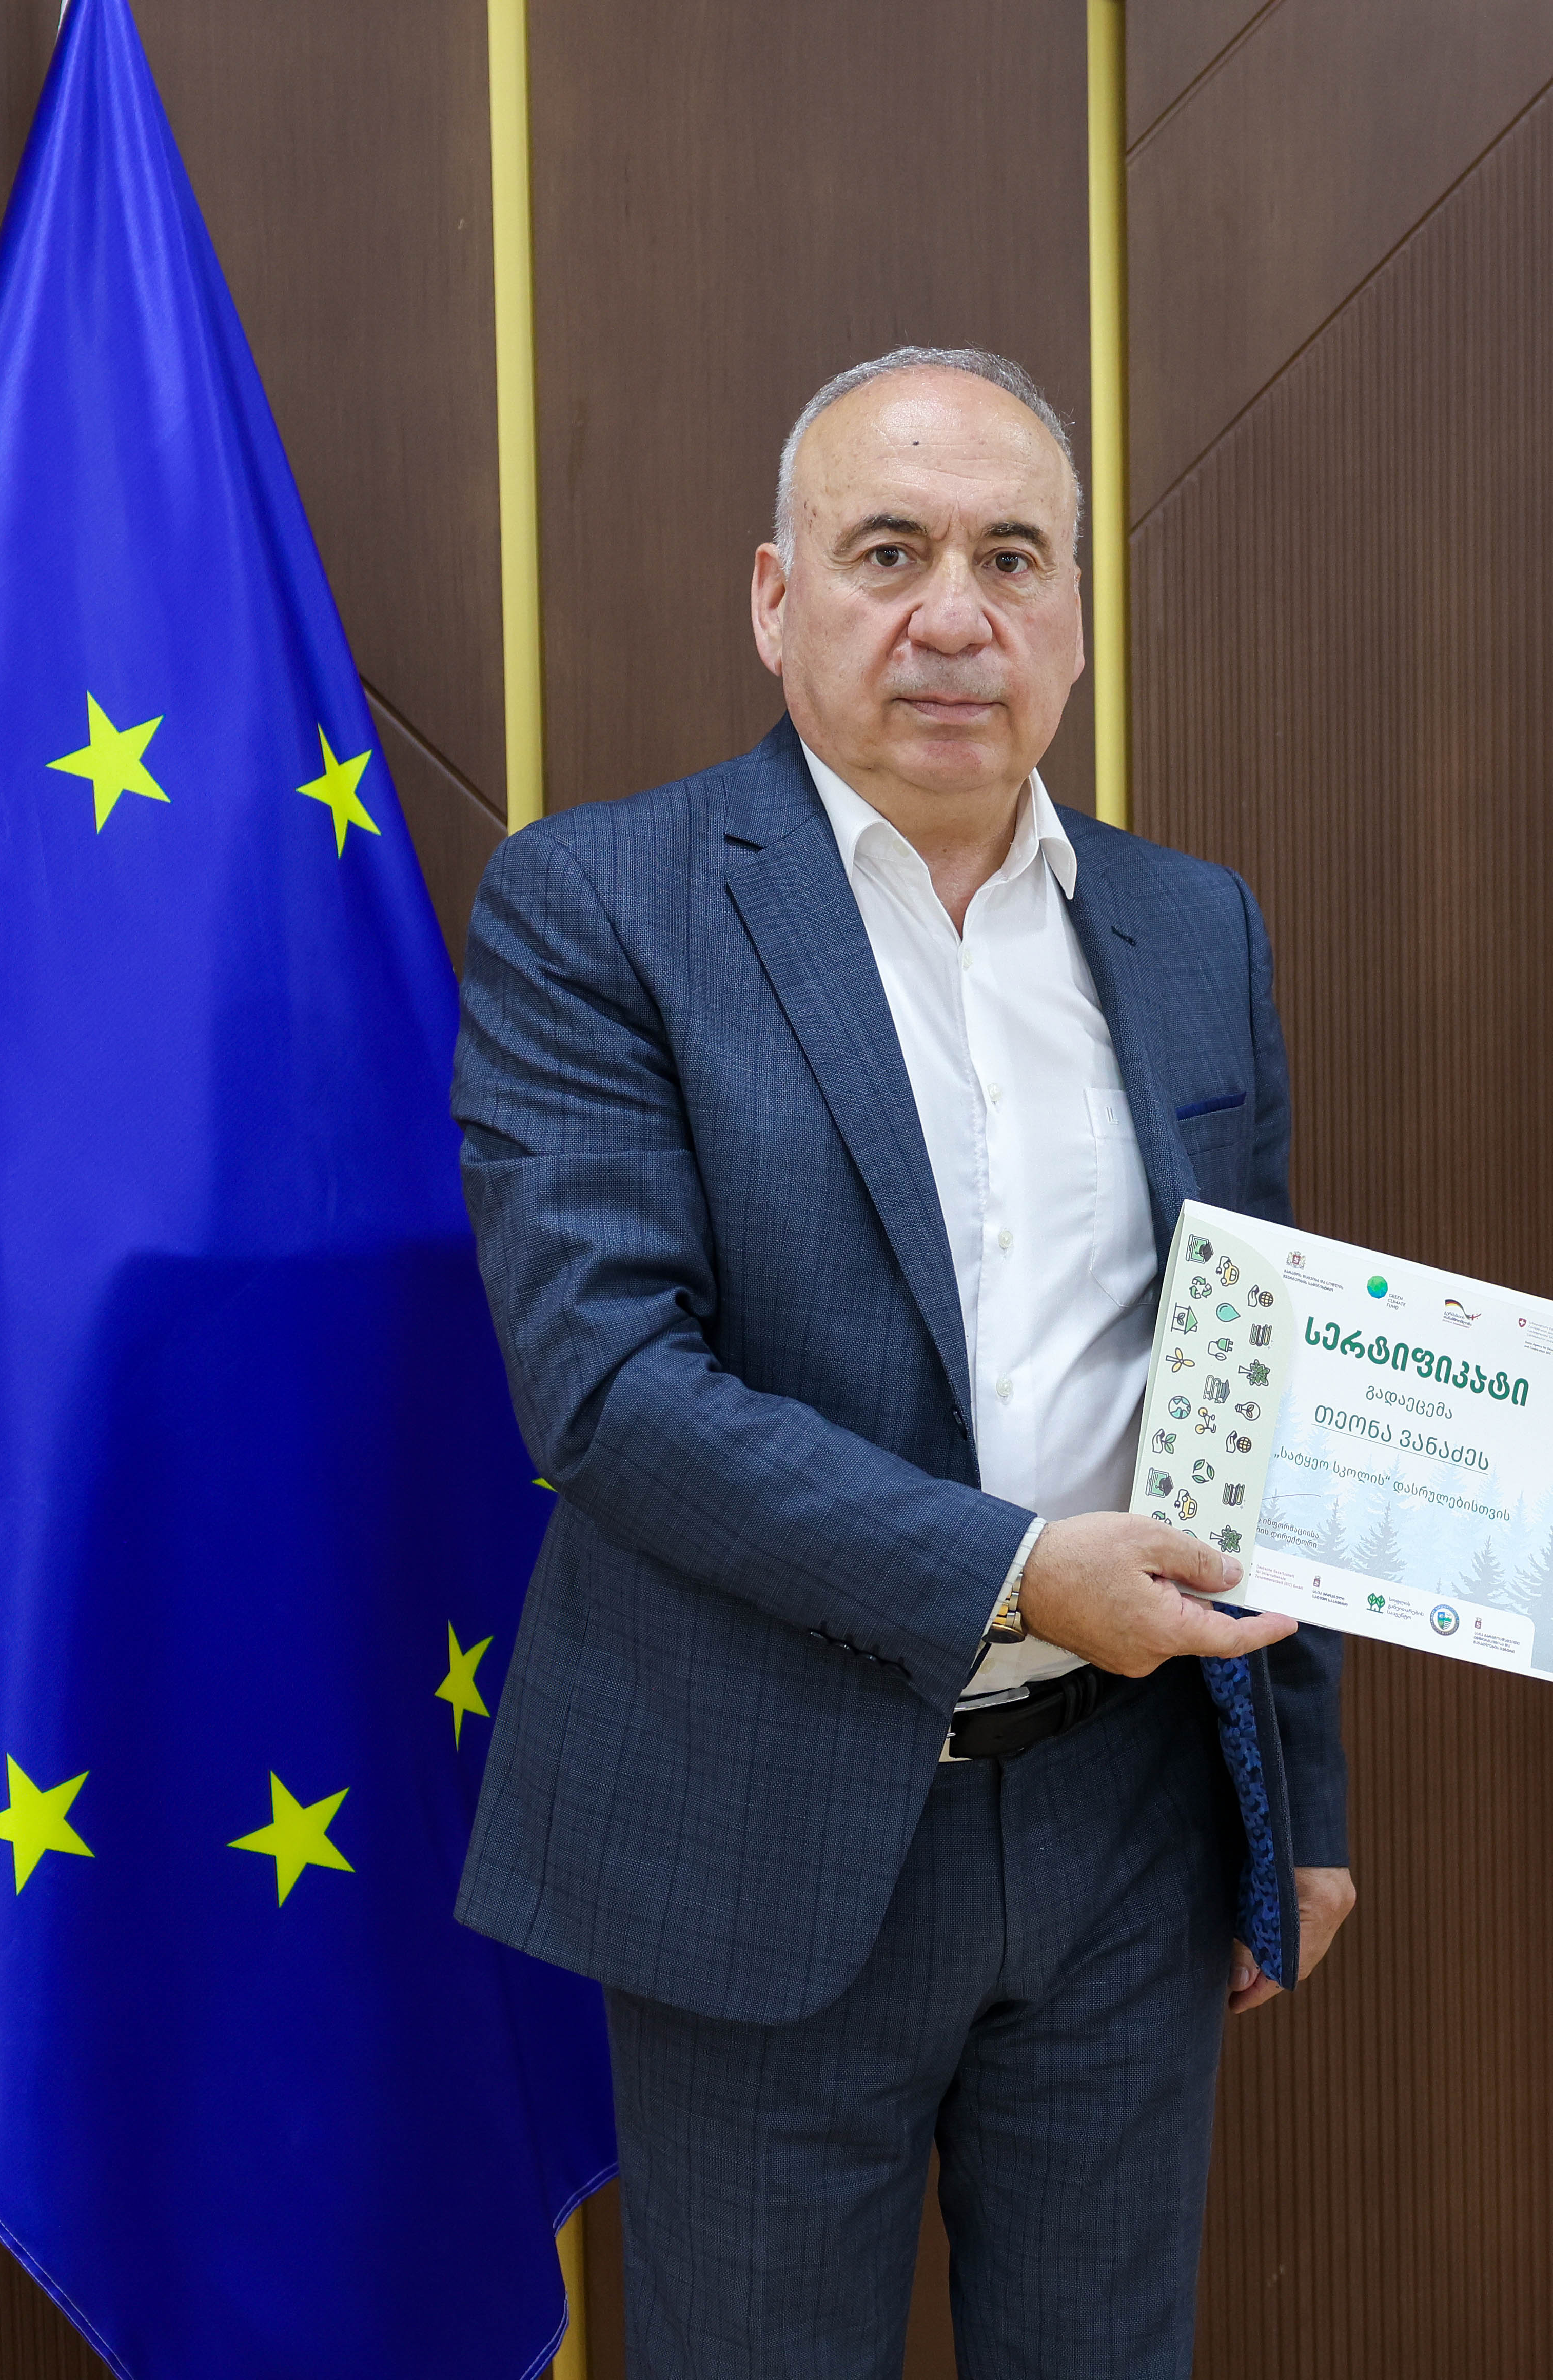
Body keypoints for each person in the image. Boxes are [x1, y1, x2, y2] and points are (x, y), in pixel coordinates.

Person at [448, 347, 1354, 2378]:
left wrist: (1296, 1797)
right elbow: (608, 1388)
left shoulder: (1194, 927)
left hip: (1130, 1821)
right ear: (779, 601)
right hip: (759, 1813)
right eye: (890, 552)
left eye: (1012, 557)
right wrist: (1019, 1575)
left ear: (1077, 618)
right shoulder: (602, 905)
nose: (957, 615)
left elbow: (1253, 1372)